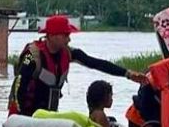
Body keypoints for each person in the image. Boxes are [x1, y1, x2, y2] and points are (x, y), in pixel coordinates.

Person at [8, 15, 147, 116]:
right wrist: (22, 118)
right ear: (53, 36)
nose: (69, 39)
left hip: (48, 115)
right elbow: (19, 85)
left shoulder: (69, 53)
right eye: (66, 35)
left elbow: (96, 63)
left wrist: (128, 74)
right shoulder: (32, 55)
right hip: (25, 115)